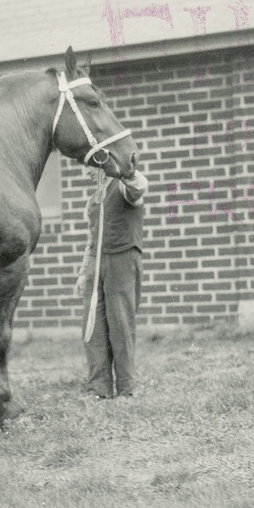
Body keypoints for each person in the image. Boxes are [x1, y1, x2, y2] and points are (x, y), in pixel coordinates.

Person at [75, 164, 147, 400]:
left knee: (121, 324)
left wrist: (124, 169)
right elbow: (91, 240)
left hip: (122, 258)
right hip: (97, 263)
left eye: (90, 166)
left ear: (104, 168)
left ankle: (127, 388)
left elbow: (140, 187)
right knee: (92, 326)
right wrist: (83, 272)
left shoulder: (124, 188)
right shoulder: (93, 200)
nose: (86, 171)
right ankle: (99, 388)